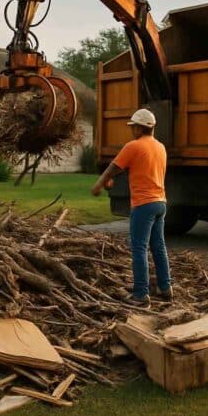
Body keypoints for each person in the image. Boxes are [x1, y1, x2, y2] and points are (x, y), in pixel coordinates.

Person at [91, 108, 172, 308]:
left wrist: (99, 185)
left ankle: (141, 294)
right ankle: (165, 288)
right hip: (160, 203)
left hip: (143, 205)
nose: (131, 130)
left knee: (139, 248)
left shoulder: (133, 146)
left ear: (139, 128)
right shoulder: (160, 147)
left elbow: (113, 167)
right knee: (158, 247)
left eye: (133, 127)